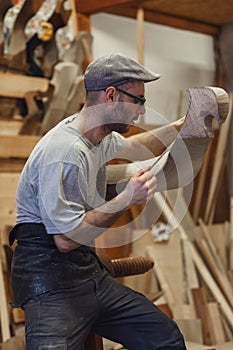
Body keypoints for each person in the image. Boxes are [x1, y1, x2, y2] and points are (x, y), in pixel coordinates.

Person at [9, 53, 187, 349]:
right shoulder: (65, 153)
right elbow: (66, 240)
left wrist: (184, 123)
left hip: (87, 275)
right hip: (50, 283)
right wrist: (125, 200)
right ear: (111, 95)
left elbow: (136, 147)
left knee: (165, 338)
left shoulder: (98, 135)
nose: (142, 111)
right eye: (138, 101)